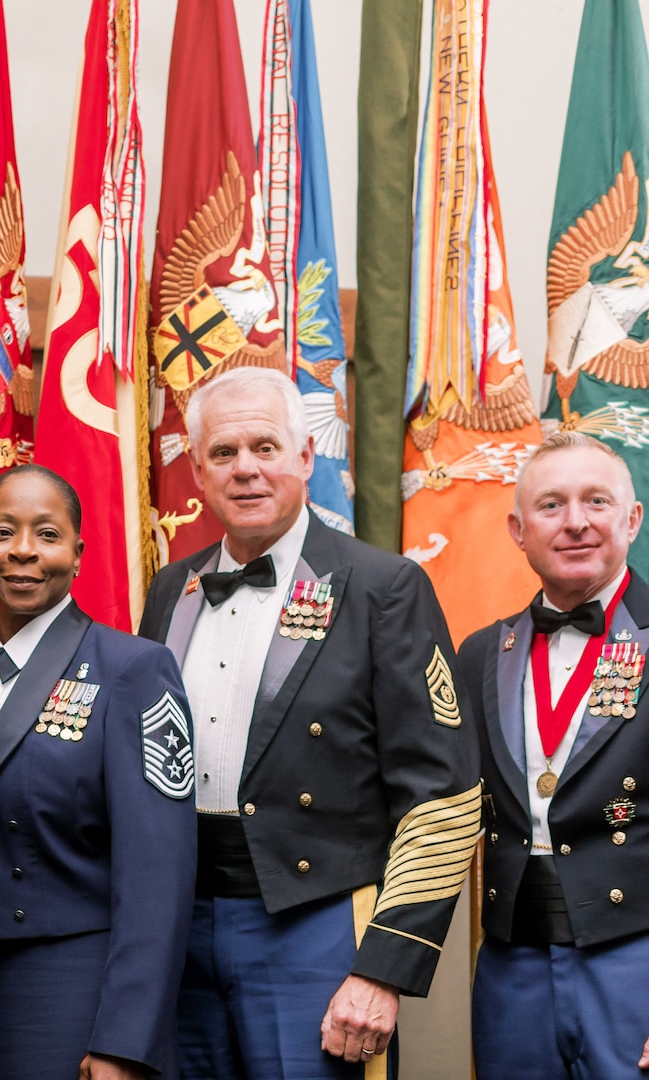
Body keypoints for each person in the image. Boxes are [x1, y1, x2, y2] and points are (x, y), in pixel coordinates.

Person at [139, 367, 479, 1078]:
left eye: (266, 447)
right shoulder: (173, 588)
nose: (246, 470)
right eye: (224, 454)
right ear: (197, 470)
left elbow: (442, 795)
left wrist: (384, 967)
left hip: (316, 923)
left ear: (305, 457)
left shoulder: (384, 587)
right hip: (179, 921)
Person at [0, 465, 196, 1080]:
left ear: (78, 553)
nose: (23, 550)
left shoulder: (133, 669)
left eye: (46, 534)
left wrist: (127, 1040)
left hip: (74, 991)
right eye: (3, 532)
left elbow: (159, 871)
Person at [459, 432, 649, 1077]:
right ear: (518, 529)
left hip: (635, 960)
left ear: (632, 518)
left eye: (596, 501)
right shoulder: (483, 653)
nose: (575, 522)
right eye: (551, 505)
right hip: (512, 962)